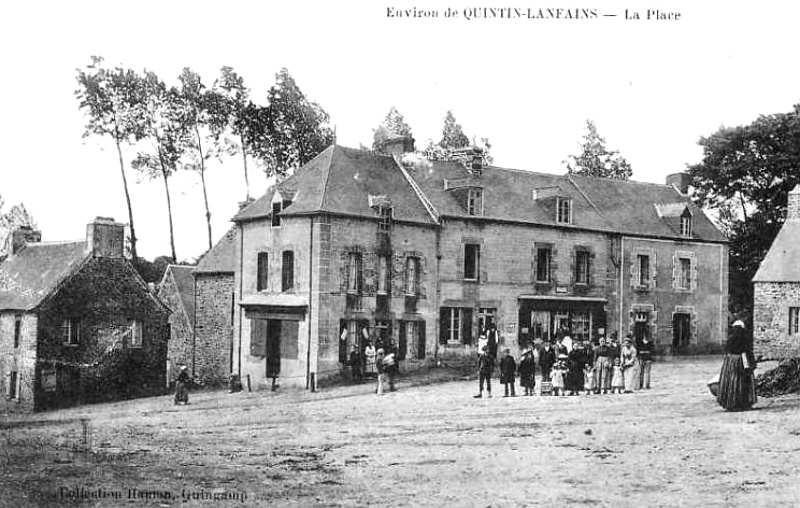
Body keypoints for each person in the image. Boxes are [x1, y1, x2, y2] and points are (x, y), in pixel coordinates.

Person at [717, 320, 757, 411]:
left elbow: (726, 349)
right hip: (742, 359)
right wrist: (752, 363)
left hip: (730, 360)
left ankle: (731, 403)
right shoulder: (745, 338)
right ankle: (743, 403)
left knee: (731, 380)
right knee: (743, 380)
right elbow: (748, 350)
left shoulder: (731, 338)